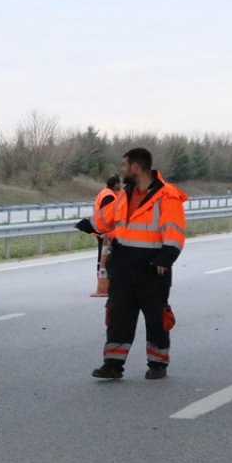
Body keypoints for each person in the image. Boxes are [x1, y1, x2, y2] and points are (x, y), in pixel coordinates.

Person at [75, 148, 187, 380]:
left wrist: (166, 257)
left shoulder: (167, 196)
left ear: (136, 167)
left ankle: (157, 363)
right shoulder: (126, 195)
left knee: (156, 318)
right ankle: (113, 364)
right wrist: (89, 224)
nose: (122, 170)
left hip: (153, 266)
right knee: (118, 317)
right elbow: (108, 217)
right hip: (123, 264)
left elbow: (174, 230)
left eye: (125, 165)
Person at [88, 175, 121, 297]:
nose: (121, 185)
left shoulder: (104, 192)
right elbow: (107, 215)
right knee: (106, 258)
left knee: (103, 258)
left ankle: (104, 283)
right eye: (120, 183)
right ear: (116, 184)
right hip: (106, 232)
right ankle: (106, 284)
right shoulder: (108, 196)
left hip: (101, 230)